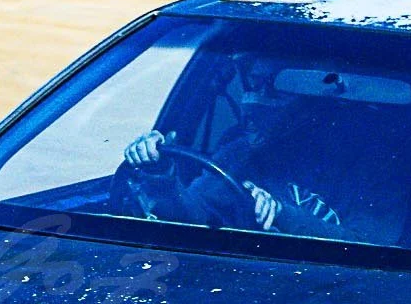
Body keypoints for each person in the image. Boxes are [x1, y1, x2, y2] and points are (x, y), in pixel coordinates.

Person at [121, 56, 347, 236]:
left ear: (308, 99)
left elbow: (367, 242)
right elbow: (194, 218)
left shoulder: (360, 165)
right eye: (252, 86)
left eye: (272, 90)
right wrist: (159, 172)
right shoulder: (239, 153)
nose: (250, 102)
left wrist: (283, 214)